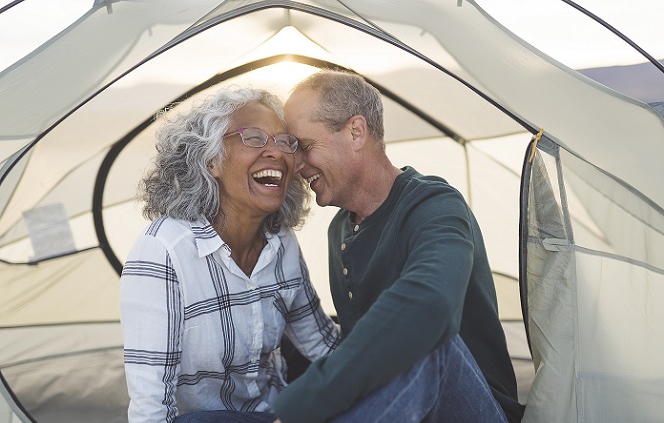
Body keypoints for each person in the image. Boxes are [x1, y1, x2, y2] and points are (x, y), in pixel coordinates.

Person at [271, 70, 525, 423]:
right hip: (398, 409)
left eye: (305, 147)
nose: (296, 165)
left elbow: (431, 303)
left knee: (424, 337)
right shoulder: (339, 231)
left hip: (472, 409)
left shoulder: (434, 205)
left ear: (356, 132)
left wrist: (303, 403)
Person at [120, 87, 340, 423]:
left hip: (272, 414)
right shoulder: (164, 252)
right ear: (211, 161)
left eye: (284, 142)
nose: (276, 153)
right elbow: (150, 408)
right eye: (253, 138)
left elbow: (325, 347)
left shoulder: (281, 244)